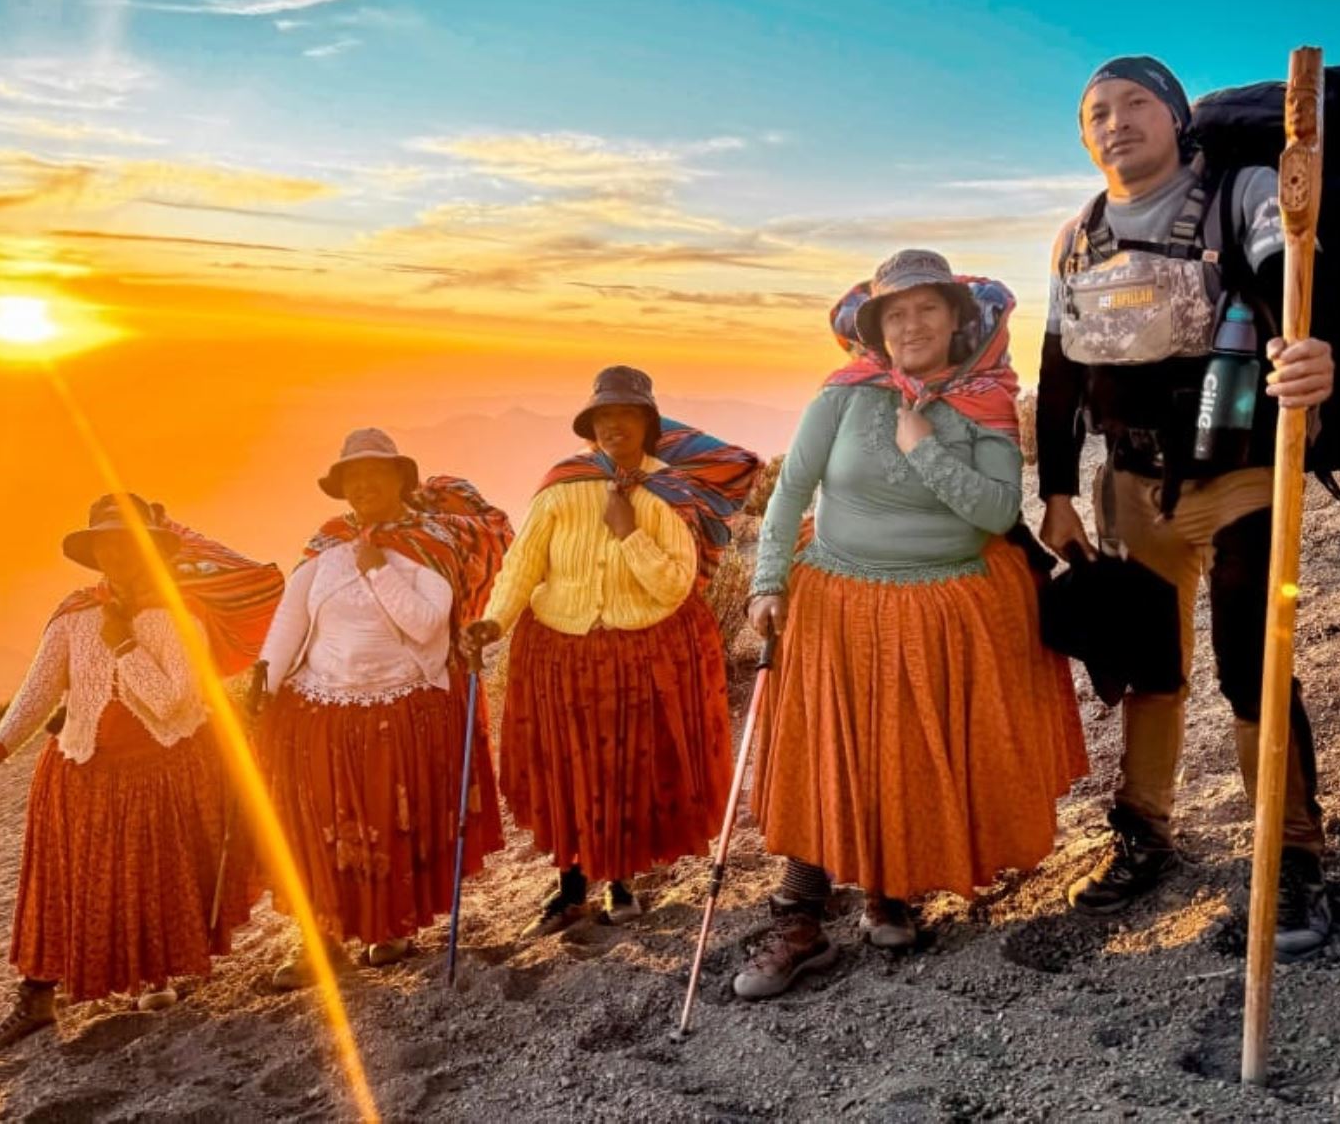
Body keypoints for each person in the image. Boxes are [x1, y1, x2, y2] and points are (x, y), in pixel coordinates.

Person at [1036, 55, 1337, 955]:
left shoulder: (1244, 193)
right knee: (1150, 664)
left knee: (1253, 660)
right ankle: (1144, 831)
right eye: (1097, 112)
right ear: (1085, 137)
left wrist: (1311, 358)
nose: (1116, 122)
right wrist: (1056, 490)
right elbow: (1058, 374)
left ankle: (1290, 857)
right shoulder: (1076, 237)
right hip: (1129, 487)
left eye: (1136, 104)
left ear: (1174, 117)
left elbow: (1293, 283)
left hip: (1242, 473)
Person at [736, 252, 1088, 999]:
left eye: (926, 309)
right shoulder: (843, 397)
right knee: (830, 746)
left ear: (959, 320)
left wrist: (922, 446)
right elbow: (790, 489)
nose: (911, 325)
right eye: (895, 315)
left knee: (903, 749)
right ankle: (799, 913)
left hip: (943, 599)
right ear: (877, 332)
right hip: (837, 596)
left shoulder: (987, 403)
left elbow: (996, 512)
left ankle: (888, 893)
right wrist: (766, 581)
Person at [0, 494, 256, 1053]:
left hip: (160, 768)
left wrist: (122, 641)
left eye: (128, 542)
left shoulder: (179, 615)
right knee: (60, 885)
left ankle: (154, 977)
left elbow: (168, 701)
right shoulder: (74, 613)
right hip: (81, 768)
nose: (116, 553)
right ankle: (36, 997)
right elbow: (38, 690)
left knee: (151, 876)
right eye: (106, 543)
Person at [463, 367, 758, 936]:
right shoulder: (561, 486)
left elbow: (674, 585)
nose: (614, 425)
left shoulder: (670, 491)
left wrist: (628, 532)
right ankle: (571, 887)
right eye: (604, 417)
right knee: (568, 766)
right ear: (591, 427)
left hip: (638, 650)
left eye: (626, 415)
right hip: (560, 649)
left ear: (649, 425)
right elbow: (522, 565)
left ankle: (621, 882)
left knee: (629, 768)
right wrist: (493, 622)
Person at [257, 429, 511, 987]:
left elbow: (426, 626)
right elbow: (291, 620)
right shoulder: (325, 544)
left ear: (400, 479)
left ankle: (389, 929)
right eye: (353, 476)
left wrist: (376, 567)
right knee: (323, 827)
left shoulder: (430, 542)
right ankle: (320, 940)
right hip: (321, 707)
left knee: (390, 821)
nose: (363, 484)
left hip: (400, 705)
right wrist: (265, 684)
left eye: (375, 472)